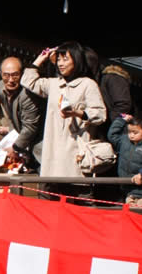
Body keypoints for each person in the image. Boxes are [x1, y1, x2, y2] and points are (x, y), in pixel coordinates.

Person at [21, 42, 107, 195]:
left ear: (77, 59)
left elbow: (100, 114)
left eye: (65, 59)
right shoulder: (54, 84)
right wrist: (41, 58)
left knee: (79, 200)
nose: (60, 64)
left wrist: (76, 112)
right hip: (52, 152)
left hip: (74, 152)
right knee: (51, 199)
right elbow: (28, 81)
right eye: (58, 60)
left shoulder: (88, 84)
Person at [107, 114, 142, 207]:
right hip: (128, 190)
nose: (131, 135)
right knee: (131, 216)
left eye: (135, 132)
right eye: (129, 132)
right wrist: (121, 120)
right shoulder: (124, 141)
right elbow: (112, 135)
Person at [0, 57, 45, 169]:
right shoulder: (0, 87)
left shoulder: (28, 93)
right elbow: (10, 117)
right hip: (22, 142)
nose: (10, 80)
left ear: (22, 74)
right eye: (6, 75)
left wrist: (15, 148)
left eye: (15, 75)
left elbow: (30, 127)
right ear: (0, 74)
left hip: (39, 144)